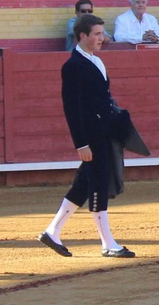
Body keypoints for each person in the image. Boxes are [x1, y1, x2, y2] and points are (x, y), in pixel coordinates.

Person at [37, 14, 140, 259]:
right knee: (98, 185)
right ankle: (108, 243)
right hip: (92, 137)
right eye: (97, 34)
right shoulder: (73, 66)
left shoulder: (96, 61)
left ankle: (52, 232)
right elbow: (72, 109)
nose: (102, 38)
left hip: (103, 133)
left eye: (102, 33)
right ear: (83, 36)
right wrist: (81, 143)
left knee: (84, 185)